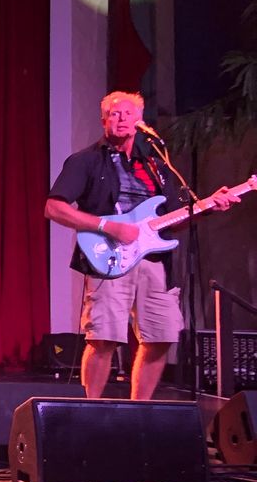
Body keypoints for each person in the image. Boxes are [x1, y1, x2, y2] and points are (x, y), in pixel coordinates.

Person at [44, 90, 241, 400]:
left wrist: (207, 207)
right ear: (104, 121)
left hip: (154, 262)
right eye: (114, 114)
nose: (122, 118)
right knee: (104, 337)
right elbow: (54, 208)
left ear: (140, 121)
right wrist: (107, 226)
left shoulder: (156, 165)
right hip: (108, 259)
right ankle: (89, 408)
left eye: (128, 114)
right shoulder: (86, 160)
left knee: (161, 336)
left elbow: (172, 219)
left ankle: (141, 409)